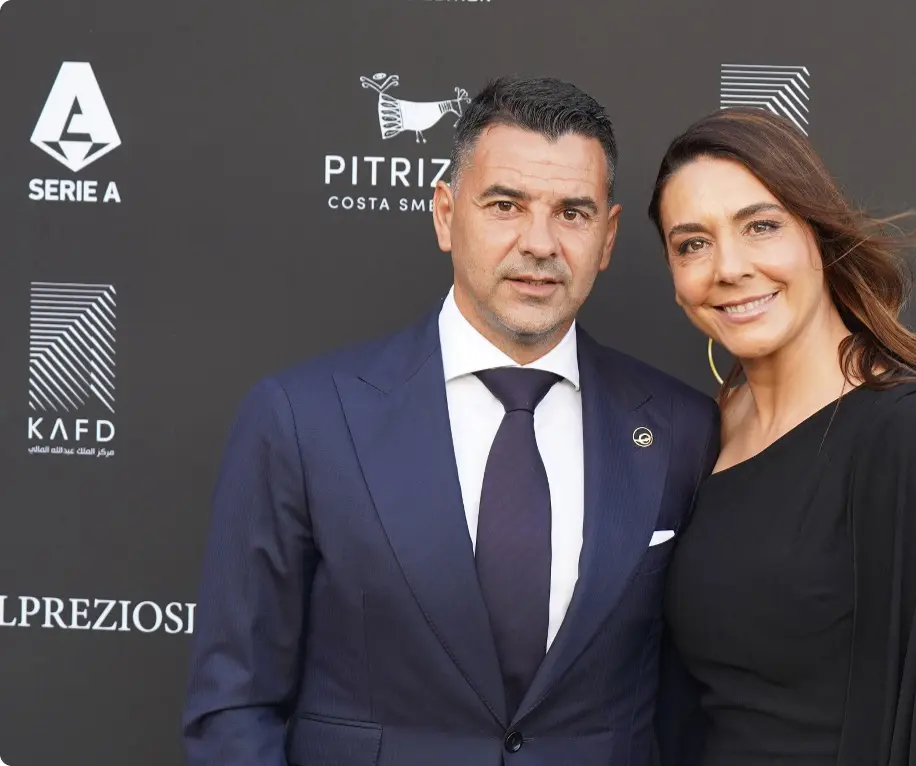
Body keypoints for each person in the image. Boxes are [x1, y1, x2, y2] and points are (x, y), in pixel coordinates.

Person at [181, 76, 719, 766]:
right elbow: (234, 707)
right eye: (505, 205)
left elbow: (691, 708)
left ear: (607, 237)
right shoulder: (301, 419)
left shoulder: (681, 430)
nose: (539, 243)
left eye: (572, 213)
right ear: (444, 213)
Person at [650, 107, 916, 766]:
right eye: (692, 243)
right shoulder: (705, 430)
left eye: (761, 226)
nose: (728, 267)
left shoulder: (912, 434)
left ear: (817, 236)